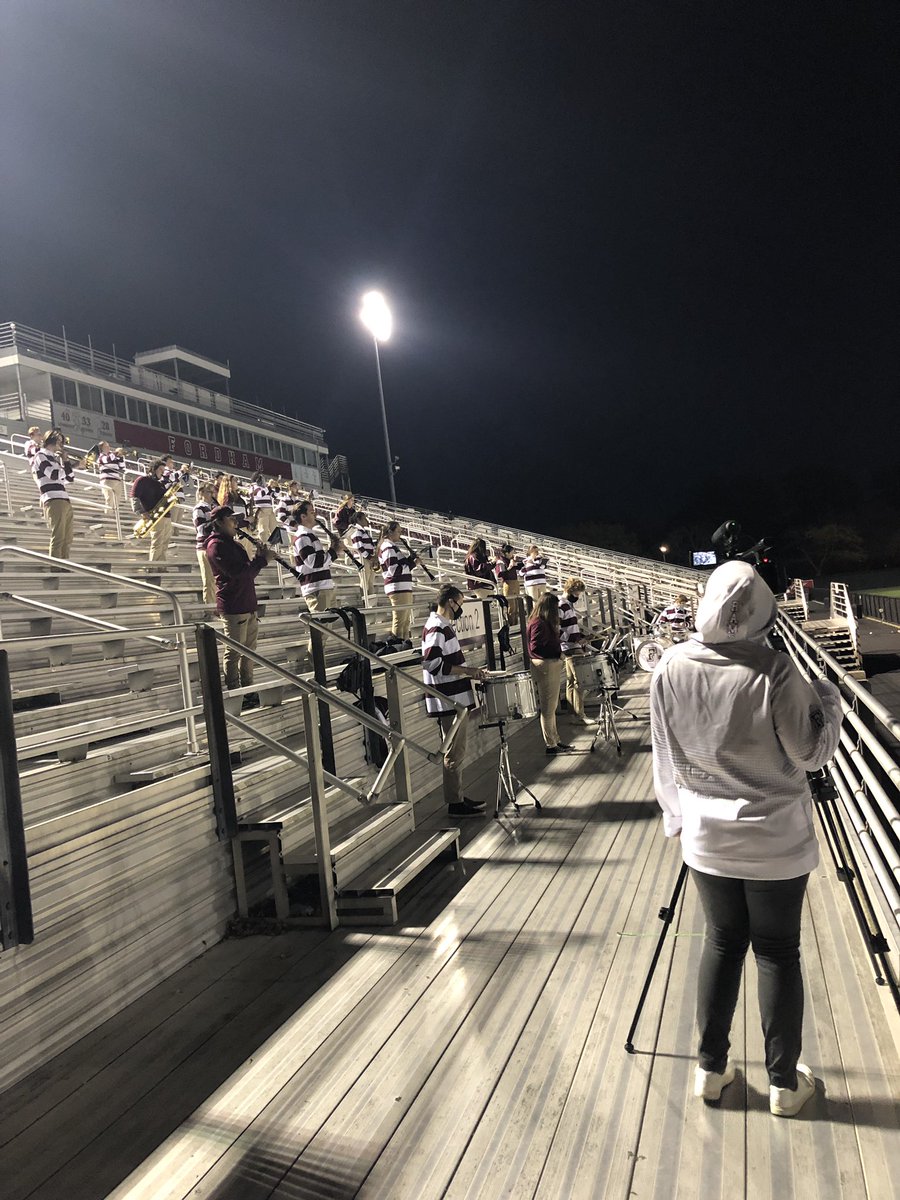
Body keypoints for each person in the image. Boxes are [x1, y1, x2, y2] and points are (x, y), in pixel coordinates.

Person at [650, 560, 842, 1116]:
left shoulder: (670, 665)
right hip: (775, 838)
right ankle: (783, 1083)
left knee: (721, 942)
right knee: (777, 952)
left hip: (706, 835)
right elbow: (812, 753)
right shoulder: (776, 671)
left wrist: (676, 819)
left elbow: (665, 757)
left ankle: (710, 1072)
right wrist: (825, 701)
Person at [422, 583, 487, 818]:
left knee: (457, 751)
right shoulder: (437, 627)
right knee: (454, 752)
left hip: (454, 698)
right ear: (450, 602)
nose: (461, 607)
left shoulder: (442, 626)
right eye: (460, 602)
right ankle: (454, 802)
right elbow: (432, 663)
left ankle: (457, 796)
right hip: (448, 700)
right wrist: (467, 671)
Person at [204, 505, 273, 703]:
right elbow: (240, 574)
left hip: (247, 603)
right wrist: (262, 561)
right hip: (234, 606)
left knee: (249, 651)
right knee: (234, 652)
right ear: (218, 522)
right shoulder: (216, 546)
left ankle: (249, 690)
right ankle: (235, 692)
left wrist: (259, 557)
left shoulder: (235, 544)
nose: (236, 523)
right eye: (231, 519)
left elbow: (247, 571)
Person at [526, 593, 572, 754]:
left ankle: (555, 739)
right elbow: (536, 647)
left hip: (547, 663)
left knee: (551, 706)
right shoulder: (539, 623)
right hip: (545, 664)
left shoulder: (539, 621)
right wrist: (556, 652)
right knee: (548, 707)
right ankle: (551, 743)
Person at [293, 498, 335, 654]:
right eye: (311, 512)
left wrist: (332, 552)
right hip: (316, 588)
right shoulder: (303, 537)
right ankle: (317, 668)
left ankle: (319, 666)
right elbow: (313, 562)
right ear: (303, 517)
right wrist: (333, 551)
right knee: (320, 631)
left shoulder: (310, 536)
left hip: (322, 585)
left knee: (325, 630)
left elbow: (320, 562)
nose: (315, 514)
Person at [31, 430, 75, 558]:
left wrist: (66, 463)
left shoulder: (55, 459)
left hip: (64, 499)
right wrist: (69, 463)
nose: (62, 446)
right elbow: (53, 474)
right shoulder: (40, 456)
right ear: (54, 441)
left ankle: (65, 566)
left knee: (67, 538)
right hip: (53, 499)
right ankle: (56, 567)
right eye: (60, 442)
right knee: (59, 537)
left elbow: (70, 478)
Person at [559, 577, 592, 724]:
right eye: (577, 593)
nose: (578, 597)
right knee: (580, 680)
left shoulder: (568, 606)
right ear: (570, 590)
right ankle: (580, 715)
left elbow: (569, 628)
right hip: (570, 647)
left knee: (571, 682)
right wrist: (574, 640)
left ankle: (573, 714)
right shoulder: (561, 605)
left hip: (572, 645)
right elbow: (557, 629)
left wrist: (580, 637)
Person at [378, 521, 416, 641]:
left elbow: (399, 565)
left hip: (402, 587)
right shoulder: (387, 547)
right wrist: (412, 564)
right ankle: (397, 647)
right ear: (390, 532)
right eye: (398, 531)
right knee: (400, 621)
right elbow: (394, 570)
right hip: (397, 588)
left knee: (405, 621)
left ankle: (404, 645)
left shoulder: (392, 546)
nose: (400, 534)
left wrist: (411, 560)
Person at [131, 458, 173, 562]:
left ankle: (161, 565)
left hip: (166, 515)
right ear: (153, 469)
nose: (162, 473)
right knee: (157, 543)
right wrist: (141, 512)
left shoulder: (160, 483)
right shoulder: (142, 480)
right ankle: (153, 566)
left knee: (165, 543)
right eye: (161, 470)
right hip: (154, 516)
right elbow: (134, 497)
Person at [193, 481, 217, 606]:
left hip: (214, 545)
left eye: (213, 492)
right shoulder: (199, 508)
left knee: (216, 579)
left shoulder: (212, 508)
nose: (212, 495)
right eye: (209, 492)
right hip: (204, 546)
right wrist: (216, 521)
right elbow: (201, 529)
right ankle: (210, 608)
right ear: (201, 493)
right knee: (208, 580)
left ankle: (217, 606)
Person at [350, 510, 378, 597]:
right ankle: (365, 600)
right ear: (358, 519)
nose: (366, 520)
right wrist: (370, 557)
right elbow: (359, 547)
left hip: (368, 558)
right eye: (364, 518)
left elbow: (368, 545)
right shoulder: (356, 531)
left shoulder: (362, 532)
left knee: (370, 581)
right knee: (365, 580)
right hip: (363, 559)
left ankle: (370, 601)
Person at [495, 543, 524, 622]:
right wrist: (509, 567)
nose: (513, 554)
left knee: (517, 604)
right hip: (508, 583)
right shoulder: (501, 560)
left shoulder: (511, 560)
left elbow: (519, 566)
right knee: (511, 606)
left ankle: (516, 623)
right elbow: (499, 573)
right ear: (507, 553)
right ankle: (511, 624)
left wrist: (521, 562)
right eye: (512, 552)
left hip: (515, 582)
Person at [96, 441, 125, 517]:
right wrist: (116, 453)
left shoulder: (113, 456)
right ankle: (108, 515)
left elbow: (122, 466)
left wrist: (121, 457)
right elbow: (107, 460)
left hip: (116, 480)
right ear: (102, 448)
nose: (108, 448)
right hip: (107, 480)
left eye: (108, 446)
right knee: (109, 498)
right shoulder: (101, 457)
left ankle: (115, 515)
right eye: (106, 446)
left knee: (117, 499)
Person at [252, 475, 278, 543]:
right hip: (261, 510)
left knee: (274, 529)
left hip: (270, 510)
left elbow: (274, 495)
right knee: (263, 530)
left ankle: (273, 545)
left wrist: (277, 487)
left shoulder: (265, 488)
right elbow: (261, 494)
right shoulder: (255, 487)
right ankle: (263, 545)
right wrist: (269, 486)